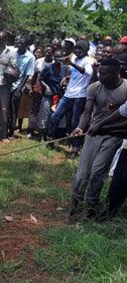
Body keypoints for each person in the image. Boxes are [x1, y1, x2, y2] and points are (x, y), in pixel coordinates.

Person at [68, 59, 126, 219]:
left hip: (114, 135)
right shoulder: (95, 87)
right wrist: (81, 127)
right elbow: (87, 112)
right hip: (93, 133)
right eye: (99, 72)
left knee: (97, 172)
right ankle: (75, 203)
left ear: (116, 73)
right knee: (82, 173)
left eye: (104, 73)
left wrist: (103, 127)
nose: (100, 76)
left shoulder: (126, 88)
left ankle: (91, 207)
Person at [47, 40, 93, 155]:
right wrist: (67, 77)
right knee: (55, 116)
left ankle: (75, 147)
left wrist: (71, 64)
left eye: (80, 49)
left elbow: (88, 73)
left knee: (75, 122)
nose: (77, 51)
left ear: (85, 50)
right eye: (76, 49)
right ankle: (51, 139)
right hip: (68, 94)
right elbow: (74, 74)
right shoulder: (74, 59)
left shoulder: (87, 60)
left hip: (80, 95)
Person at [10, 35, 35, 136]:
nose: (19, 45)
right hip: (6, 83)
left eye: (22, 43)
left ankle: (11, 130)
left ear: (27, 45)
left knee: (14, 110)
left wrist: (19, 89)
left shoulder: (30, 57)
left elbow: (27, 74)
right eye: (18, 42)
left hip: (17, 86)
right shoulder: (12, 52)